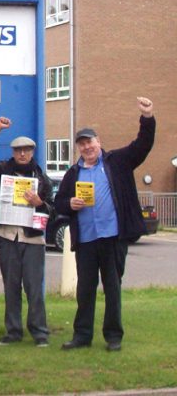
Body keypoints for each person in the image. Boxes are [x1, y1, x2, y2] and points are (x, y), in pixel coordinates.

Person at [57, 97, 156, 352]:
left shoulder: (117, 162)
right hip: (87, 239)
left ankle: (113, 336)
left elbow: (143, 145)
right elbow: (59, 203)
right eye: (82, 144)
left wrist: (147, 117)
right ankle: (82, 336)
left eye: (90, 142)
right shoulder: (73, 173)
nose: (87, 147)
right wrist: (71, 204)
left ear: (98, 142)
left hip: (113, 237)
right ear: (78, 148)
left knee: (113, 287)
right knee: (85, 290)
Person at [0, 117, 53, 347]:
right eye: (18, 150)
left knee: (33, 288)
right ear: (13, 151)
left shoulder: (42, 179)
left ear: (32, 152)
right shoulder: (2, 171)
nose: (22, 154)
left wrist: (39, 202)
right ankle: (13, 332)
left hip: (32, 239)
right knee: (11, 287)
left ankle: (39, 332)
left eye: (26, 150)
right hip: (7, 236)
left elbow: (53, 209)